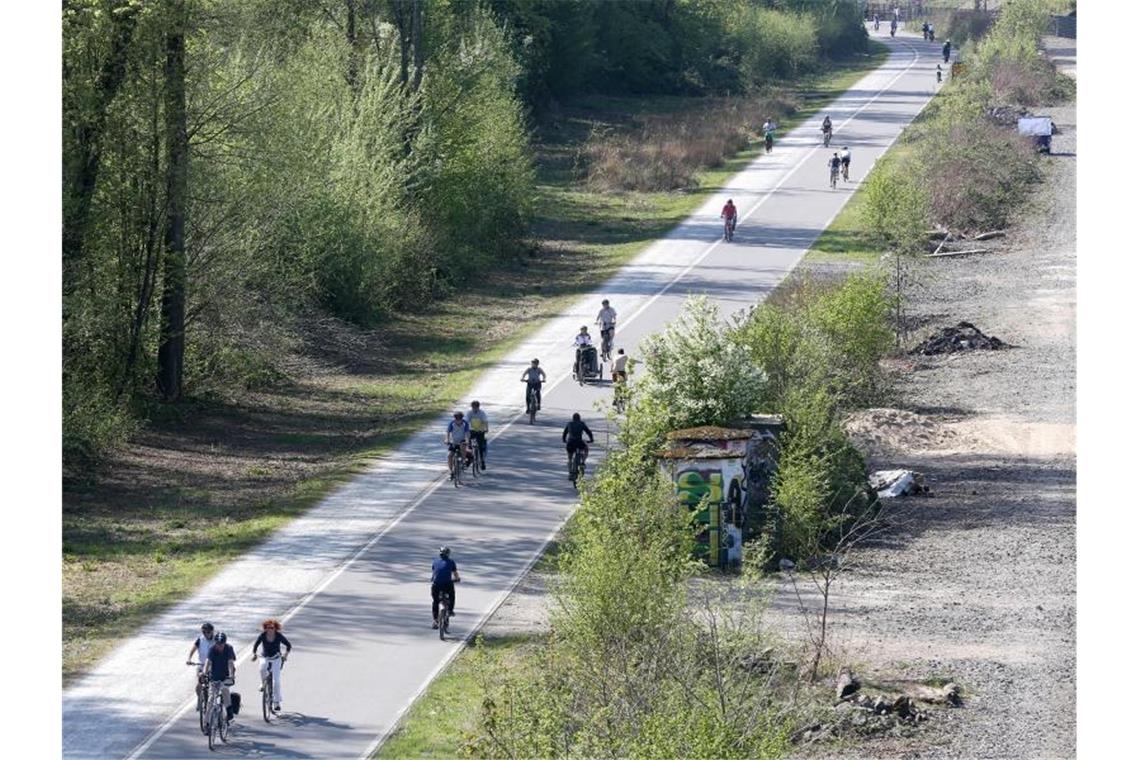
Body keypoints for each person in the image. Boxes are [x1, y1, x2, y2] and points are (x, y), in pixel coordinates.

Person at [252, 618, 291, 713]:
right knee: (262, 669)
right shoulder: (262, 635)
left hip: (276, 658)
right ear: (265, 628)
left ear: (275, 628)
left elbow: (288, 645)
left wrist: (285, 655)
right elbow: (256, 645)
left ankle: (276, 702)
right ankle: (263, 683)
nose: (270, 629)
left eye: (272, 628)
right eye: (268, 628)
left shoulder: (278, 636)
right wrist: (254, 654)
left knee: (276, 682)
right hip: (265, 657)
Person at [206, 631, 237, 722]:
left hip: (225, 676)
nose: (219, 646)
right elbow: (208, 662)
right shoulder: (212, 649)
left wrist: (231, 675)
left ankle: (229, 714)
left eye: (221, 644)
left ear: (225, 643)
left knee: (225, 692)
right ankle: (206, 723)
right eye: (217, 644)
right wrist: (204, 673)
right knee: (210, 700)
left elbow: (231, 663)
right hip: (214, 677)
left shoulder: (229, 648)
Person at [431, 546, 461, 628]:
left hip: (436, 584)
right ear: (448, 554)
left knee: (435, 601)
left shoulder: (435, 562)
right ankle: (450, 610)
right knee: (452, 596)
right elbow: (455, 573)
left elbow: (434, 572)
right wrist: (457, 579)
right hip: (447, 584)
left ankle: (435, 620)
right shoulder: (451, 562)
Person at [562, 412, 594, 481]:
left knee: (570, 456)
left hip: (570, 443)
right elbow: (588, 432)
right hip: (579, 442)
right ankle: (583, 462)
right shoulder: (582, 424)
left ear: (573, 418)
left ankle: (570, 469)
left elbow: (564, 433)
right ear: (579, 419)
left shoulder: (569, 424)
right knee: (586, 449)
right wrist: (591, 440)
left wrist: (564, 440)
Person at [445, 411, 470, 476]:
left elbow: (467, 433)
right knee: (449, 456)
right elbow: (448, 432)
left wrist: (467, 441)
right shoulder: (452, 423)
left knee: (463, 446)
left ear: (462, 418)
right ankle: (451, 472)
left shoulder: (465, 423)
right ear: (455, 419)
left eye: (459, 419)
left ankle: (464, 461)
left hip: (462, 440)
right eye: (456, 419)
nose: (458, 421)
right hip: (454, 441)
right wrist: (447, 439)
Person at [466, 401, 489, 470]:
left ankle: (482, 461)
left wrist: (486, 429)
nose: (474, 409)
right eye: (473, 407)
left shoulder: (482, 413)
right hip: (472, 430)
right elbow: (466, 421)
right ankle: (469, 459)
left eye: (475, 407)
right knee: (468, 445)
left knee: (481, 447)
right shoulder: (469, 412)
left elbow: (485, 421)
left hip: (480, 431)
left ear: (478, 407)